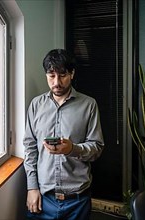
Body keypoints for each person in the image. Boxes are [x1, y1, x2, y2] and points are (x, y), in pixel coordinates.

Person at [23, 49, 104, 220]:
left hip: (77, 200)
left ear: (72, 74)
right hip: (43, 198)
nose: (56, 82)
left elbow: (97, 148)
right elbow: (30, 149)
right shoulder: (36, 105)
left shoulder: (89, 105)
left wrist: (72, 149)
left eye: (62, 75)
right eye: (51, 76)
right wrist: (32, 188)